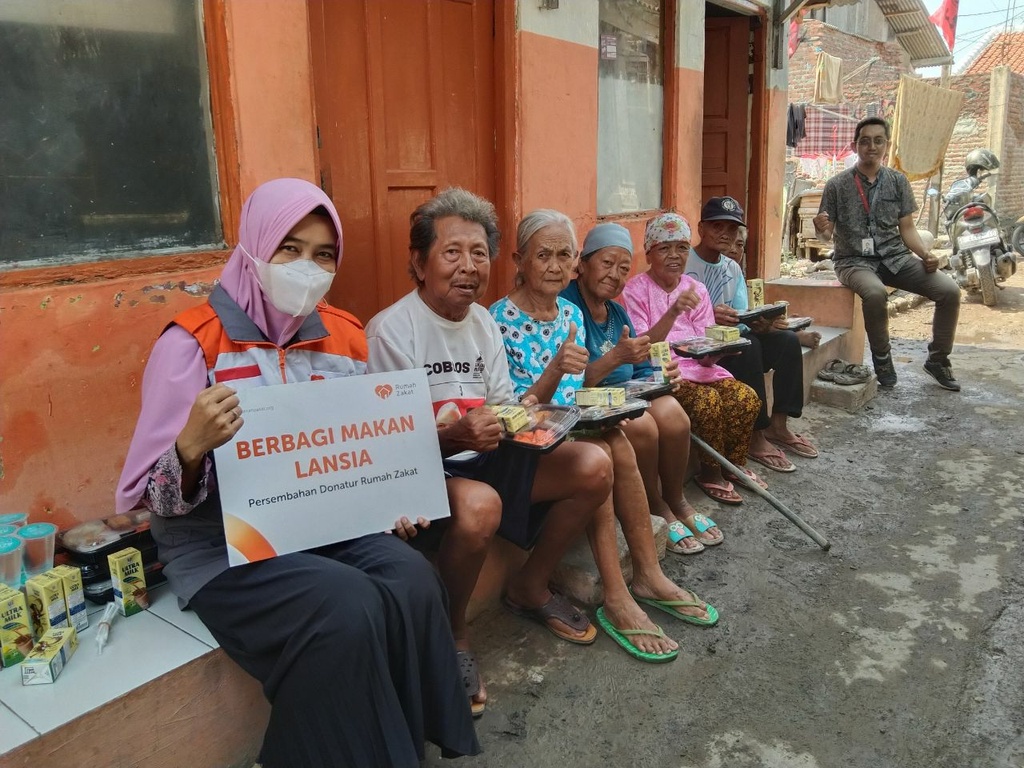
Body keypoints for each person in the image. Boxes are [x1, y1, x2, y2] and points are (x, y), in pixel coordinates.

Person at [115, 178, 480, 768]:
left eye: (323, 254)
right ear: (254, 247)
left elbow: (370, 448)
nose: (306, 267)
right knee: (345, 606)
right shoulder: (192, 345)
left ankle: (398, 747)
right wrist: (190, 447)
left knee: (412, 579)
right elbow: (149, 500)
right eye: (289, 248)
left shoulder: (344, 335)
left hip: (325, 525)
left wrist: (389, 501)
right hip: (223, 547)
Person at [366, 188, 611, 711]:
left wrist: (536, 421)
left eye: (479, 253)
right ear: (419, 261)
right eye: (452, 252)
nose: (468, 267)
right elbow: (383, 446)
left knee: (593, 465)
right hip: (422, 472)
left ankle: (530, 584)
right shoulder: (392, 330)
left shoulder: (482, 324)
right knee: (479, 505)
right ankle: (453, 635)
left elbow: (504, 407)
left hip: (484, 458)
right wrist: (454, 436)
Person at [489, 209, 720, 664]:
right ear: (519, 259)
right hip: (525, 447)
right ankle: (619, 594)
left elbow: (583, 388)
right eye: (543, 256)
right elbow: (515, 413)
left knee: (611, 439)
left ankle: (647, 576)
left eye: (563, 255)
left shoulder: (569, 313)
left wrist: (630, 387)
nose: (555, 266)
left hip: (572, 431)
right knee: (603, 450)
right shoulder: (499, 320)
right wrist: (560, 375)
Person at [561, 222, 723, 554]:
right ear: (583, 263)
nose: (615, 275)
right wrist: (616, 357)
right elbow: (571, 383)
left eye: (623, 268)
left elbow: (639, 364)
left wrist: (662, 375)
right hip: (586, 402)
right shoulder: (567, 308)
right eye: (606, 264)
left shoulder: (616, 311)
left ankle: (677, 500)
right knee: (645, 427)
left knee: (675, 417)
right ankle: (655, 505)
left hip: (626, 394)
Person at [622, 212, 762, 506]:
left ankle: (730, 465)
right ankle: (709, 473)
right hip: (662, 374)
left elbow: (703, 346)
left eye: (682, 248)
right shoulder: (635, 289)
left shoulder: (695, 289)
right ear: (649, 252)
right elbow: (641, 347)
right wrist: (673, 312)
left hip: (701, 370)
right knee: (706, 402)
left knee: (745, 397)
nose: (675, 256)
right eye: (664, 248)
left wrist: (718, 352)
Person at [813, 116, 962, 391]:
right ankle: (882, 358)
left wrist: (924, 253)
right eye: (865, 141)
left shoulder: (898, 182)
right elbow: (825, 234)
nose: (872, 146)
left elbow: (907, 228)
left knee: (950, 291)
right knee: (875, 292)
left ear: (886, 145)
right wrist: (820, 227)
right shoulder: (836, 185)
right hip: (853, 261)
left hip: (896, 257)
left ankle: (938, 360)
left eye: (878, 141)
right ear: (855, 145)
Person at [686, 197, 819, 470]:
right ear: (700, 228)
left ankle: (778, 425)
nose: (725, 234)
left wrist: (761, 323)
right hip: (698, 350)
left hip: (729, 341)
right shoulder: (683, 261)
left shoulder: (732, 268)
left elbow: (741, 316)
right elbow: (675, 311)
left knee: (786, 341)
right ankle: (756, 435)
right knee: (749, 346)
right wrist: (711, 316)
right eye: (717, 225)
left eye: (733, 229)